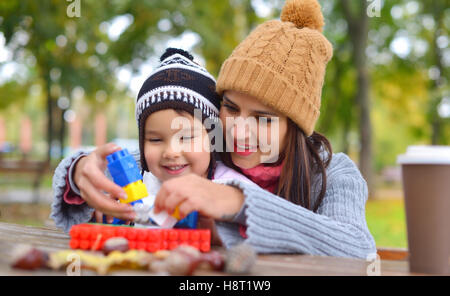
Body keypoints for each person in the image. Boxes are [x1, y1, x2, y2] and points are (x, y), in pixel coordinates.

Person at [52, 0, 376, 259]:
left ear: (295, 126)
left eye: (263, 118)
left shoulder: (332, 173)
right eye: (231, 107)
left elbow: (357, 247)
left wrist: (237, 202)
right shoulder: (209, 147)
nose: (238, 131)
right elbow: (140, 160)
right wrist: (78, 171)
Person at [50, 48, 253, 235]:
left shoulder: (232, 187)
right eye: (155, 139)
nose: (171, 152)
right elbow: (81, 185)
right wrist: (82, 178)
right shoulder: (132, 179)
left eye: (187, 137)